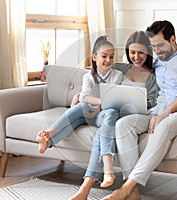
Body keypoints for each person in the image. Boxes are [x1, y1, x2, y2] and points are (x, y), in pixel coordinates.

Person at [103, 20, 177, 200]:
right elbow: (127, 68)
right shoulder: (158, 63)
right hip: (157, 112)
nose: (157, 51)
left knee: (164, 126)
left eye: (160, 45)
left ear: (173, 39)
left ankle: (126, 188)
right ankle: (133, 192)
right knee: (123, 125)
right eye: (153, 47)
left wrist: (163, 115)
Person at [70, 30, 158, 200]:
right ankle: (85, 188)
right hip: (111, 112)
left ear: (148, 53)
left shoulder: (152, 76)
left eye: (141, 52)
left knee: (102, 132)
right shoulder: (119, 67)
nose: (136, 56)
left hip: (133, 117)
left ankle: (85, 188)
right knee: (103, 130)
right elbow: (95, 73)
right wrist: (80, 93)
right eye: (132, 52)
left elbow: (152, 103)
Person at [36, 35, 123, 190]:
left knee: (110, 113)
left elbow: (111, 100)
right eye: (104, 56)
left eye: (111, 57)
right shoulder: (88, 76)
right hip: (87, 112)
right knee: (81, 107)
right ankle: (49, 135)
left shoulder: (117, 75)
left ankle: (108, 169)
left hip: (102, 115)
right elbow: (85, 96)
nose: (108, 60)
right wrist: (97, 102)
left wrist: (98, 106)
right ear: (95, 57)